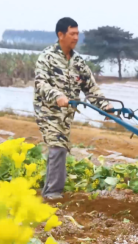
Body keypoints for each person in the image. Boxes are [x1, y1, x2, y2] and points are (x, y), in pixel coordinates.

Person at [34, 17, 113, 200]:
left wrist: (105, 106)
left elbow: (90, 88)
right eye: (72, 34)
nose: (76, 37)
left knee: (61, 146)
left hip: (67, 114)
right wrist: (58, 96)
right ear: (60, 35)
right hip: (48, 111)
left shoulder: (78, 61)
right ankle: (53, 193)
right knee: (57, 145)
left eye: (77, 33)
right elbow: (41, 83)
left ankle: (51, 191)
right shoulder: (47, 57)